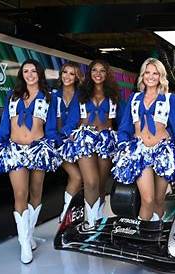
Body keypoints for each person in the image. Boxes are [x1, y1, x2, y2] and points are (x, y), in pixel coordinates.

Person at [0, 59, 61, 263]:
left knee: (36, 194)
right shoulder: (12, 95)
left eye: (33, 71)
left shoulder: (48, 98)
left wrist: (54, 143)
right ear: (22, 75)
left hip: (37, 149)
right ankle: (25, 244)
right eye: (26, 71)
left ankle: (27, 234)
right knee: (20, 193)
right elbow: (4, 125)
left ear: (39, 73)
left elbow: (51, 127)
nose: (29, 74)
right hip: (15, 149)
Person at [112, 57, 175, 221]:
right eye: (147, 72)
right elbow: (125, 126)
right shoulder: (134, 99)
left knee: (158, 199)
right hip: (140, 152)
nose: (151, 76)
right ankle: (141, 237)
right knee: (147, 199)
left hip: (162, 152)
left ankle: (156, 235)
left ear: (160, 76)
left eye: (155, 73)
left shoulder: (170, 99)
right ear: (142, 75)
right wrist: (123, 144)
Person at [60, 59, 120, 228]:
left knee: (101, 185)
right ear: (89, 73)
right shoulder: (81, 94)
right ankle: (91, 224)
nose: (98, 74)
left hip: (106, 140)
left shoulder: (114, 95)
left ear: (106, 74)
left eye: (102, 70)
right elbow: (72, 118)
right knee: (91, 182)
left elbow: (121, 121)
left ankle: (98, 221)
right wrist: (68, 133)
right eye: (94, 70)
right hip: (85, 139)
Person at [53, 62, 84, 223]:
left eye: (72, 74)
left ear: (77, 77)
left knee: (83, 178)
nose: (67, 76)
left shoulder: (81, 96)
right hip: (57, 143)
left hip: (77, 144)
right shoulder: (53, 95)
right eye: (65, 72)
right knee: (77, 177)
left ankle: (72, 213)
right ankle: (66, 214)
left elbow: (79, 120)